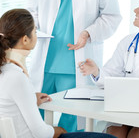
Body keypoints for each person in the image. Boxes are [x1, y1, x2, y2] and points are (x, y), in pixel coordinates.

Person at [28, 0, 122, 131]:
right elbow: (31, 13)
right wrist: (32, 32)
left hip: (76, 63)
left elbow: (112, 16)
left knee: (72, 119)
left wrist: (89, 32)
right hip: (47, 58)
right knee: (35, 116)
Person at [0, 8, 117, 138]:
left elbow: (10, 105)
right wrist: (60, 130)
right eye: (35, 31)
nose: (37, 35)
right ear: (25, 40)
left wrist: (31, 99)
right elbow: (41, 133)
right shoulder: (17, 77)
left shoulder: (5, 69)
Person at [79, 0, 139, 138]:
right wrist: (96, 71)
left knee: (137, 135)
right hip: (124, 110)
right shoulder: (128, 42)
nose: (135, 10)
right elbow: (110, 75)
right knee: (115, 135)